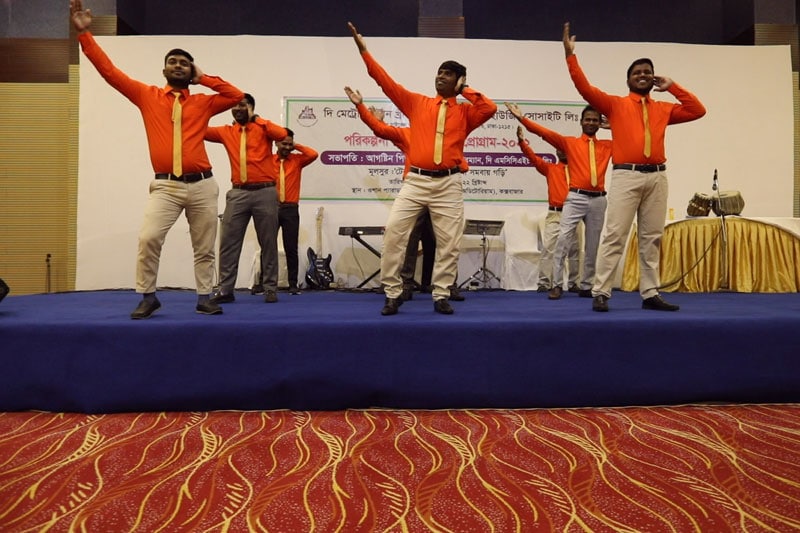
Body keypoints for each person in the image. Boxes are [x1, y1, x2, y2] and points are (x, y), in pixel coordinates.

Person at [70, 0, 244, 319]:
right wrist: (85, 35)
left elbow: (238, 97)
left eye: (184, 63)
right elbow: (109, 72)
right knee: (148, 238)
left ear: (190, 71)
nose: (178, 66)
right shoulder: (146, 95)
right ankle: (148, 297)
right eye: (172, 62)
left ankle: (205, 297)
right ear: (164, 70)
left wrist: (204, 77)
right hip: (166, 187)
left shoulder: (203, 103)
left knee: (204, 246)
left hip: (203, 186)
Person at [348, 22, 497, 315]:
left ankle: (441, 294)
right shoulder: (417, 103)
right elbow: (386, 82)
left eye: (448, 74)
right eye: (439, 72)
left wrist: (465, 89)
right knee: (393, 234)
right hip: (416, 182)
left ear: (459, 80)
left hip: (449, 184)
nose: (440, 76)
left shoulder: (466, 113)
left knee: (449, 243)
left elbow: (489, 108)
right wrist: (364, 51)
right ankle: (393, 293)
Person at [562, 22, 706, 312]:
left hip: (657, 178)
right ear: (628, 79)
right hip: (626, 176)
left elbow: (697, 110)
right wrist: (570, 56)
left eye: (647, 72)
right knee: (615, 235)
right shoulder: (615, 105)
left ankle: (650, 293)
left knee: (652, 238)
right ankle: (601, 291)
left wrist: (672, 86)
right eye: (637, 72)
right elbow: (584, 88)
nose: (642, 75)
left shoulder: (663, 108)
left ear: (653, 78)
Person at [343, 87, 463, 303]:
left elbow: (459, 161)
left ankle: (445, 287)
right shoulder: (411, 135)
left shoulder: (448, 137)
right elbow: (382, 130)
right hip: (416, 191)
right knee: (408, 240)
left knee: (444, 241)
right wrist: (361, 107)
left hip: (443, 192)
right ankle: (405, 285)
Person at [507, 102, 611, 301]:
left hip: (598, 199)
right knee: (561, 243)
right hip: (575, 198)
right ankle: (555, 284)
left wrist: (613, 126)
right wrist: (521, 118)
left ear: (600, 123)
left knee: (592, 246)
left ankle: (586, 285)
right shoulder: (569, 143)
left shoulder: (607, 145)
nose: (590, 122)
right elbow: (544, 133)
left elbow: (629, 139)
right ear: (581, 122)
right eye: (587, 119)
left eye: (595, 120)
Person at [205, 94, 288, 304]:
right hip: (238, 193)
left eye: (242, 105)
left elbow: (282, 134)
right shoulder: (226, 131)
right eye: (234, 106)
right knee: (228, 243)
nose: (237, 109)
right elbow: (200, 131)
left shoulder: (263, 128)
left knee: (268, 241)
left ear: (251, 107)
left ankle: (270, 288)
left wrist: (256, 119)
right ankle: (226, 290)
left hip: (265, 192)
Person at [514, 126, 580, 293]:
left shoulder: (579, 170)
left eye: (564, 148)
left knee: (574, 251)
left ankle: (573, 283)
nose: (561, 151)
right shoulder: (550, 168)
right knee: (548, 249)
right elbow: (533, 158)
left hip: (574, 213)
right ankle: (544, 282)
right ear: (556, 152)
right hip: (555, 214)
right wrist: (522, 143)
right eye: (559, 149)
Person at [272, 129, 319, 295]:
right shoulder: (268, 160)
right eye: (283, 143)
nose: (286, 147)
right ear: (276, 143)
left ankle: (293, 284)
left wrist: (296, 145)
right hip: (271, 208)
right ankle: (265, 283)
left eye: (289, 144)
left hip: (290, 209)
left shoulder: (297, 160)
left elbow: (313, 154)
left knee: (291, 247)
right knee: (268, 247)